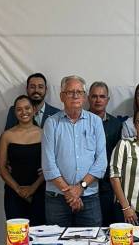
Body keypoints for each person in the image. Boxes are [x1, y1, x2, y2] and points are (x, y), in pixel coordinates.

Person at [42, 75, 106, 227]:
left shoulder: (95, 122)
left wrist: (79, 188)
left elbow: (101, 162)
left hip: (88, 196)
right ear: (61, 96)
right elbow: (48, 164)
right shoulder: (51, 123)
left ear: (84, 96)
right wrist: (69, 192)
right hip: (57, 198)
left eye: (79, 92)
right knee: (57, 242)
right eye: (70, 92)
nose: (75, 96)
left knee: (91, 240)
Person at [0, 95, 45, 224]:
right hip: (13, 193)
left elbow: (50, 165)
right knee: (16, 234)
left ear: (34, 110)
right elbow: (0, 166)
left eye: (27, 108)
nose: (24, 112)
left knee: (39, 233)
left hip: (39, 192)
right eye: (19, 109)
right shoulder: (7, 135)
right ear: (15, 112)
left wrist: (33, 188)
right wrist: (18, 189)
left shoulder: (44, 133)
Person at [88, 81, 123, 226]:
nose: (98, 100)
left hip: (107, 186)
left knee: (107, 226)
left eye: (102, 96)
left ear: (107, 100)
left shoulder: (116, 124)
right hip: (83, 185)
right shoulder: (79, 121)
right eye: (94, 96)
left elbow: (118, 158)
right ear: (88, 98)